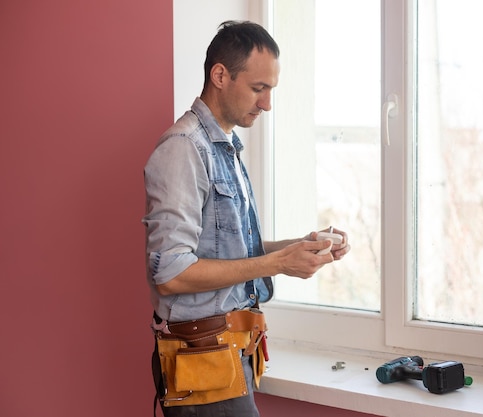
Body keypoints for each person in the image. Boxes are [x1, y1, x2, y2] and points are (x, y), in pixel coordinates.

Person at [142, 20, 350, 417]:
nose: (268, 103)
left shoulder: (224, 147)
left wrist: (299, 246)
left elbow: (228, 250)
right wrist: (278, 264)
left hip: (229, 353)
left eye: (271, 89)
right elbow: (171, 275)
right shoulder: (183, 150)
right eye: (259, 88)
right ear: (219, 75)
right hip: (202, 361)